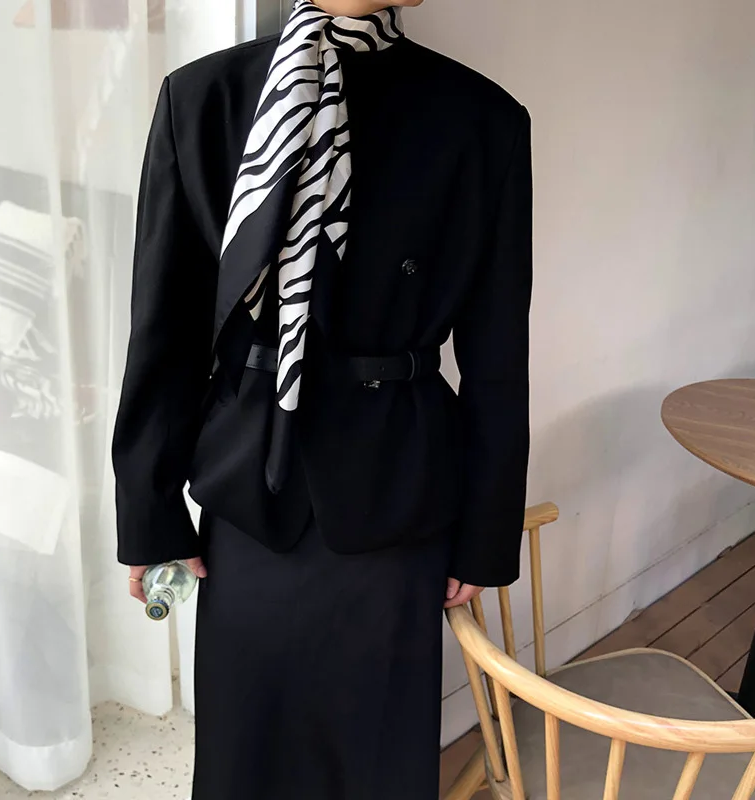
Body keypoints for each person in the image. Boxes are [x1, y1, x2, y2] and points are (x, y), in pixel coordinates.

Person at [112, 0, 532, 797]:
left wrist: (486, 533)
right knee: (247, 754)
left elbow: (498, 358)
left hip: (396, 491)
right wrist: (149, 508)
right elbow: (164, 327)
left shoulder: (485, 119)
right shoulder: (205, 97)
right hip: (251, 485)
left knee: (374, 759)